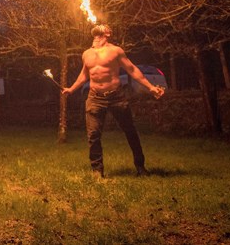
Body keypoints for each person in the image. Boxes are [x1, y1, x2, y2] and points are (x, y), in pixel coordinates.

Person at [62, 24, 164, 178]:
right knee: (93, 135)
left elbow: (132, 69)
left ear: (108, 33)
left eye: (103, 26)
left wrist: (150, 87)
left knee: (130, 131)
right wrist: (71, 89)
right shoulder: (86, 54)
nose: (99, 25)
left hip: (116, 97)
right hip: (95, 98)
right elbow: (84, 75)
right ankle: (97, 171)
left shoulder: (116, 51)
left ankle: (140, 167)